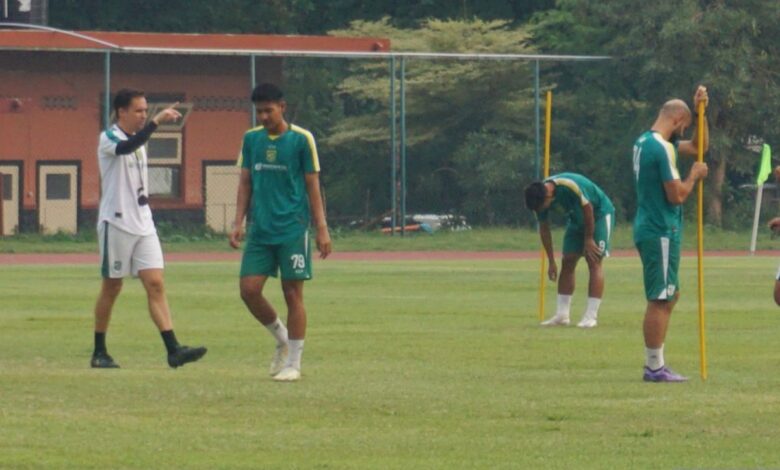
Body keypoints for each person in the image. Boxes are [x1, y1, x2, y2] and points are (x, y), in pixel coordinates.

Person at [91, 89, 207, 369]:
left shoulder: (141, 142)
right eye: (139, 111)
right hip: (116, 222)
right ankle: (99, 351)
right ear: (121, 112)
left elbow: (137, 148)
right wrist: (157, 121)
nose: (144, 115)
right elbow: (125, 148)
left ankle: (173, 349)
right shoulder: (109, 138)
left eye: (146, 111)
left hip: (143, 222)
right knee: (112, 286)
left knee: (155, 283)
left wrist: (152, 125)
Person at [230, 83, 332, 382]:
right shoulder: (251, 140)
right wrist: (238, 222)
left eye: (268, 110)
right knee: (248, 290)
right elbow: (245, 182)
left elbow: (313, 186)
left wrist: (322, 229)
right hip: (260, 230)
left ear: (282, 107)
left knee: (292, 293)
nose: (263, 116)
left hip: (292, 229)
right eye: (258, 111)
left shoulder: (302, 140)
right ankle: (282, 338)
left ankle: (294, 363)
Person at [633, 85, 709, 382]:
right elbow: (676, 195)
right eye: (686, 126)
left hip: (650, 226)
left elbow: (700, 147)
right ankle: (654, 367)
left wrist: (701, 111)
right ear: (677, 119)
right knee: (660, 298)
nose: (685, 133)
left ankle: (656, 363)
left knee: (670, 293)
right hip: (660, 229)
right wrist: (694, 175)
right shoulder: (661, 148)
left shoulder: (645, 142)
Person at [524, 173, 615, 328]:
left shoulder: (568, 186)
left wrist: (588, 238)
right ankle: (562, 315)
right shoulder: (539, 198)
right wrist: (551, 261)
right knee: (567, 261)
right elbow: (544, 230)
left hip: (598, 214)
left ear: (548, 196)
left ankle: (590, 316)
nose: (540, 211)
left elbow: (588, 209)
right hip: (576, 219)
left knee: (593, 260)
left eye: (541, 208)